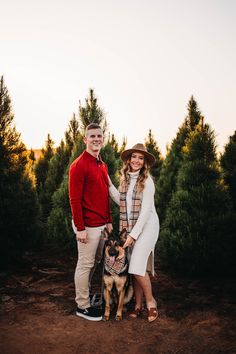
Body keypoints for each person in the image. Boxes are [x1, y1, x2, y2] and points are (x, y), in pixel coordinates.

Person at [109, 143, 159, 322]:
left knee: (136, 265)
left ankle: (151, 302)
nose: (137, 160)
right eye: (134, 157)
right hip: (131, 227)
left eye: (141, 158)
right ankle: (138, 306)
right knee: (136, 268)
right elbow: (120, 201)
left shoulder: (147, 181)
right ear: (129, 159)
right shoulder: (125, 180)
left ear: (144, 162)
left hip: (147, 227)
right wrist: (106, 181)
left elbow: (145, 212)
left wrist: (132, 236)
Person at [69, 123, 113, 321]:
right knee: (85, 264)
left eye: (99, 136)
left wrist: (109, 219)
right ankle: (82, 305)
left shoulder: (101, 164)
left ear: (103, 139)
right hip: (87, 226)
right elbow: (74, 200)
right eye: (92, 136)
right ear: (85, 139)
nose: (96, 139)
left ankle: (86, 296)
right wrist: (80, 228)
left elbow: (104, 194)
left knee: (94, 262)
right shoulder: (78, 165)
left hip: (101, 224)